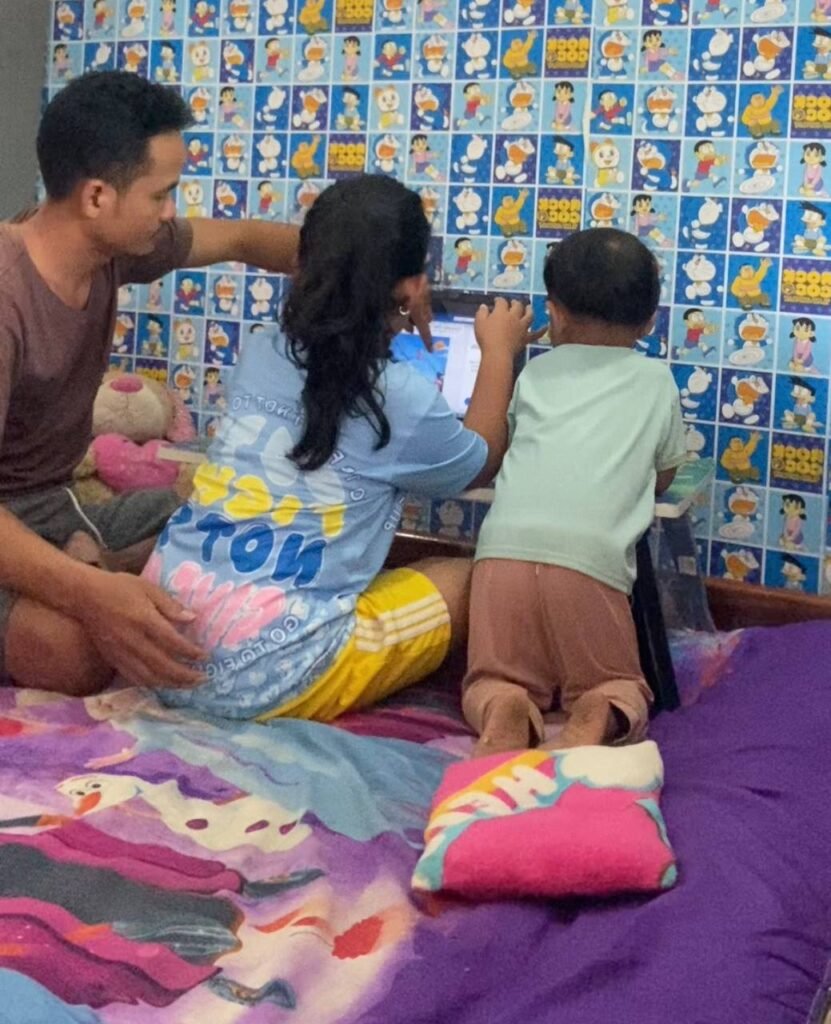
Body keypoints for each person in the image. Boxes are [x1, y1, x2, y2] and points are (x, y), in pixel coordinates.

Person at [0, 70, 348, 698]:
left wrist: (371, 271)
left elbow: (243, 238)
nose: (170, 212)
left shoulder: (111, 251)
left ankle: (91, 563)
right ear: (97, 197)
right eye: (161, 194)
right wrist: (92, 596)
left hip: (50, 508)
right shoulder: (7, 293)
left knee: (228, 520)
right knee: (78, 653)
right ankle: (83, 576)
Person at [145, 174, 540, 721]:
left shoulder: (262, 351)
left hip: (159, 651)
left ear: (300, 266)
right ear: (411, 288)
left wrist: (393, 292)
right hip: (265, 679)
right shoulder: (401, 397)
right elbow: (480, 459)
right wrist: (497, 351)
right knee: (469, 576)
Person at [462, 228, 687, 757]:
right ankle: (598, 710)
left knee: (490, 677)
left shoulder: (534, 374)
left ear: (555, 313)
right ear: (650, 321)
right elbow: (664, 476)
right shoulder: (656, 381)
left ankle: (505, 707)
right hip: (590, 565)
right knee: (614, 680)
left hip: (500, 556)